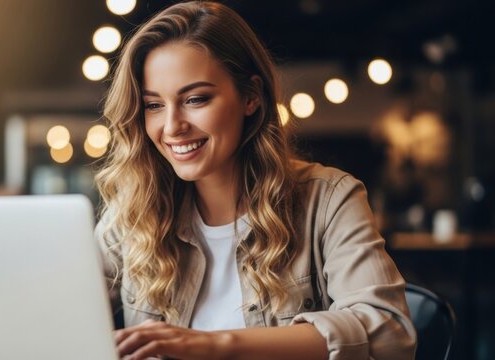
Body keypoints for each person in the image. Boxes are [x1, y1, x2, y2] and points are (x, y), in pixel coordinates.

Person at [94, 2, 417, 359]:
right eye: (153, 105)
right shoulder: (132, 214)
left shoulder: (328, 200)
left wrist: (214, 344)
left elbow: (389, 332)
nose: (171, 127)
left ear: (250, 96)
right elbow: (55, 317)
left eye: (195, 99)